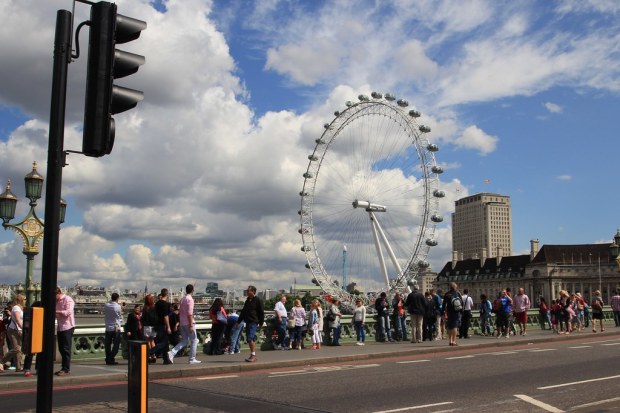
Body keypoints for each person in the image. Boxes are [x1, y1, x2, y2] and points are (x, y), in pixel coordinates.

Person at [168, 284, 201, 364]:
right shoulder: (190, 299)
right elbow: (190, 313)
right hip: (188, 322)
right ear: (192, 290)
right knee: (194, 340)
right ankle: (192, 359)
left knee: (184, 341)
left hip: (182, 322)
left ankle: (171, 353)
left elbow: (181, 312)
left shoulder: (182, 299)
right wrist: (191, 325)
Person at [237, 285, 264, 362]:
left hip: (253, 322)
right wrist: (238, 321)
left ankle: (253, 355)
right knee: (250, 339)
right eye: (247, 291)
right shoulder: (247, 300)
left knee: (250, 338)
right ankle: (252, 354)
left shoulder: (258, 300)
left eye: (248, 291)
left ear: (253, 292)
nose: (247, 292)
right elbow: (243, 312)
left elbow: (261, 312)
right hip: (248, 322)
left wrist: (261, 323)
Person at [0, 294, 25, 372]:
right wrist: (23, 328)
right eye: (24, 299)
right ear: (21, 300)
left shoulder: (21, 308)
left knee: (19, 349)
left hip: (18, 330)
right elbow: (17, 320)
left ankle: (18, 367)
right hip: (13, 330)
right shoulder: (16, 308)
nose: (26, 300)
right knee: (16, 349)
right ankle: (1, 362)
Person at [55, 287, 75, 376]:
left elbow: (68, 312)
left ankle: (66, 369)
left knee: (66, 349)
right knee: (61, 349)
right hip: (60, 327)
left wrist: (55, 311)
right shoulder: (56, 302)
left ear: (59, 293)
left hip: (68, 327)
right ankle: (63, 367)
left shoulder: (68, 299)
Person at [150, 289, 172, 364]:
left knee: (163, 342)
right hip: (162, 325)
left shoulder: (157, 303)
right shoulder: (165, 304)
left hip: (156, 324)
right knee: (164, 343)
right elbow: (166, 316)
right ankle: (149, 352)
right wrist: (168, 327)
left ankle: (166, 359)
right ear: (167, 294)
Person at [103, 292, 125, 365]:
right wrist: (122, 308)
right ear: (117, 298)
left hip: (108, 327)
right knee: (116, 345)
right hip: (116, 328)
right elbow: (119, 315)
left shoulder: (106, 305)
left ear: (111, 298)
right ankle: (111, 358)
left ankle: (108, 358)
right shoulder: (118, 307)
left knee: (107, 345)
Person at [442, 282, 463, 346]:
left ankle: (450, 340)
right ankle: (454, 341)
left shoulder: (447, 294)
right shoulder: (458, 293)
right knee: (455, 327)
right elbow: (462, 303)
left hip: (449, 312)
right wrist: (461, 311)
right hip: (456, 312)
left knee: (450, 326)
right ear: (455, 287)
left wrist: (443, 312)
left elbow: (444, 304)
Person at [141, 294, 158, 361]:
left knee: (147, 341)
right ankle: (154, 355)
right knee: (152, 340)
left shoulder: (145, 308)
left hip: (147, 326)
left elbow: (143, 318)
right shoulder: (154, 307)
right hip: (153, 326)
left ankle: (149, 355)